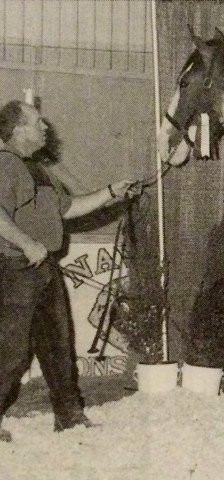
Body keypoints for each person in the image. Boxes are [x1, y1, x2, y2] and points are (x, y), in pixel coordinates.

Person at [0, 100, 140, 441]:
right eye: (37, 123)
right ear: (17, 131)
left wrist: (110, 193)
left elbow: (69, 207)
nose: (45, 127)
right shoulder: (4, 164)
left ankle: (68, 415)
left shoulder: (36, 168)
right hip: (15, 268)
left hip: (43, 268)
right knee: (11, 351)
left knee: (58, 345)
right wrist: (26, 244)